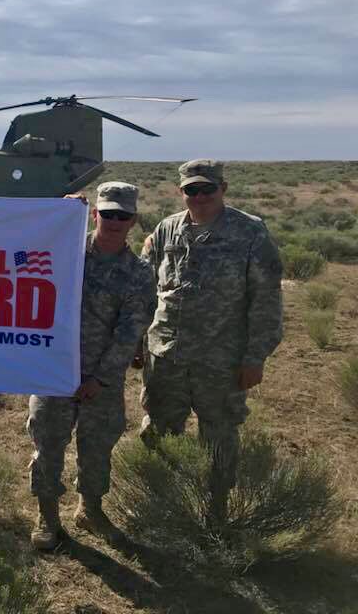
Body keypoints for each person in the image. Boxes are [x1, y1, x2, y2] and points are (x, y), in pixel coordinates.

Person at [139, 159, 283, 520]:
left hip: (221, 361)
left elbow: (266, 299)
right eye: (192, 190)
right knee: (160, 431)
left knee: (219, 437)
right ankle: (164, 505)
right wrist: (136, 343)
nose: (200, 196)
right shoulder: (166, 230)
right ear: (181, 191)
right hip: (166, 357)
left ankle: (215, 510)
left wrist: (255, 356)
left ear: (223, 188)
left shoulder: (250, 232)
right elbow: (142, 287)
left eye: (208, 189)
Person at [28, 182, 155, 550]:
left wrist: (100, 377)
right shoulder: (64, 250)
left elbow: (131, 330)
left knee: (97, 446)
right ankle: (47, 516)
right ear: (94, 214)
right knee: (48, 442)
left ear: (133, 220)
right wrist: (58, 213)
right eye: (107, 213)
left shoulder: (137, 273)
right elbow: (21, 251)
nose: (114, 221)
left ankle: (90, 509)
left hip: (103, 377)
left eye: (123, 215)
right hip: (54, 370)